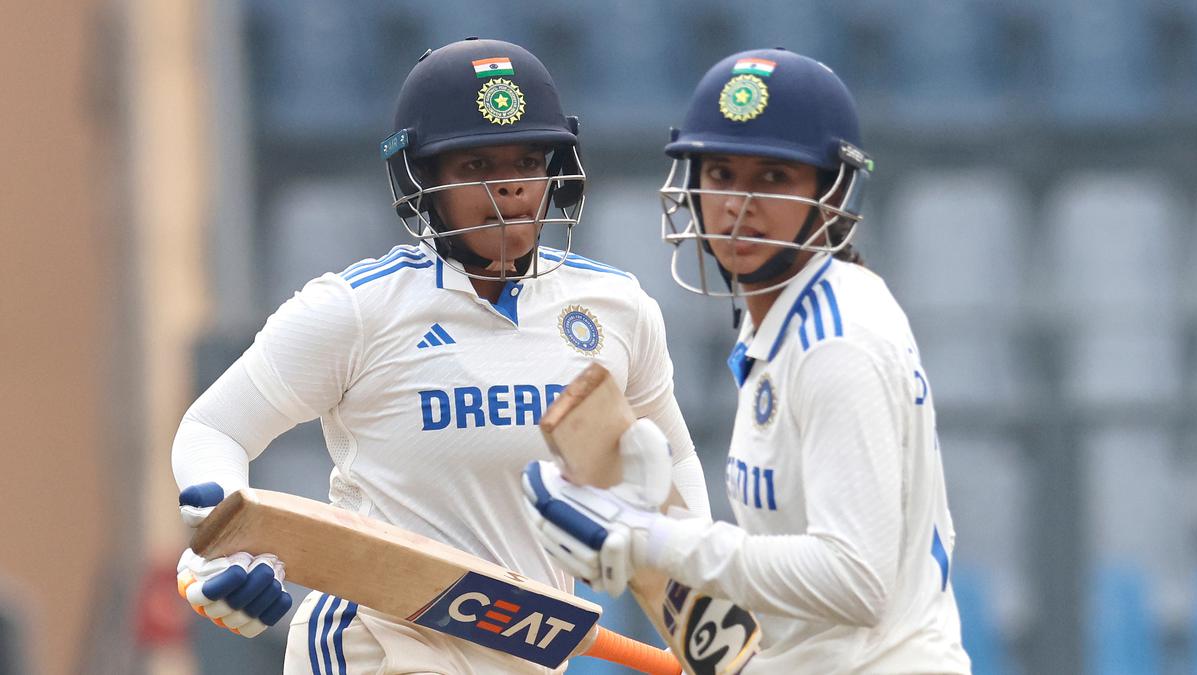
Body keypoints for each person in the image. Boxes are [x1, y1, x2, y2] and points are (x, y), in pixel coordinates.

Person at [171, 37, 709, 674]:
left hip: (528, 653)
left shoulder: (615, 308)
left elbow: (671, 457)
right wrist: (223, 543)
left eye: (528, 161)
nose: (508, 187)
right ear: (421, 179)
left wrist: (705, 610)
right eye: (475, 165)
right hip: (375, 648)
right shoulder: (357, 310)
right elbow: (214, 427)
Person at [522, 48, 972, 673]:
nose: (739, 203)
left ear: (832, 191)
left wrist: (652, 538)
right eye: (722, 174)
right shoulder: (788, 318)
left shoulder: (835, 344)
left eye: (775, 178)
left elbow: (854, 582)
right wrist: (653, 521)